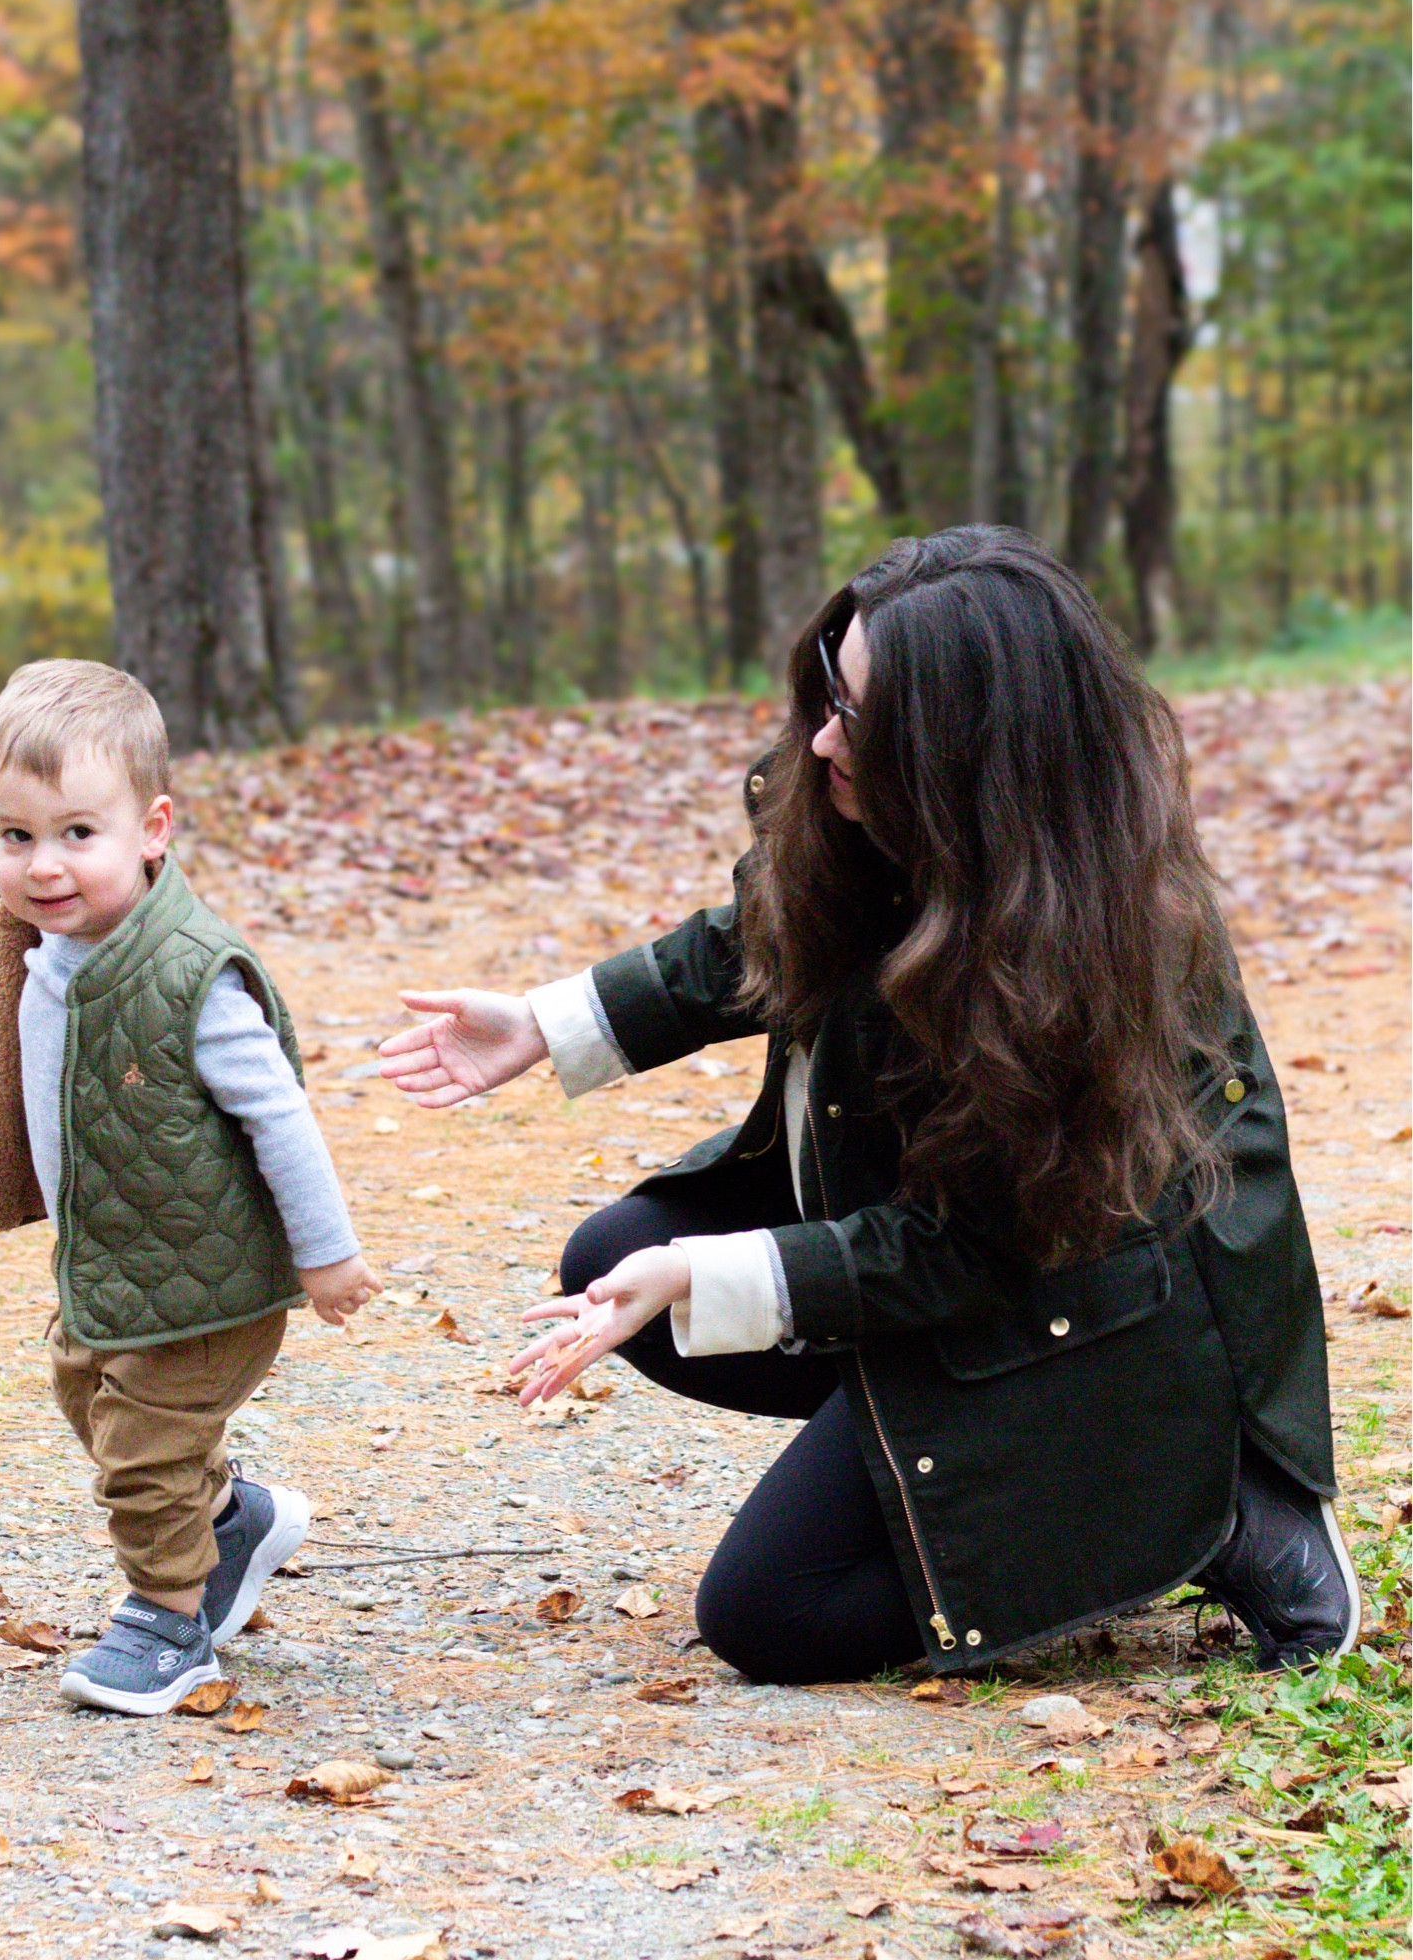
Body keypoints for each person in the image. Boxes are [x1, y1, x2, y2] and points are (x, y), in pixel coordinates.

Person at [379, 527, 1358, 1682]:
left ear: (971, 754)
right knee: (619, 1253)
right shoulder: (871, 809)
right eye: (826, 696)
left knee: (772, 1613)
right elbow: (762, 934)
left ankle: (1206, 1499)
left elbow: (963, 1250)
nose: (825, 737)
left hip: (1099, 1313)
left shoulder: (1084, 946)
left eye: (863, 719)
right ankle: (957, 1444)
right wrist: (548, 1024)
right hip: (959, 1250)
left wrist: (714, 1275)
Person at [0, 660, 379, 1713]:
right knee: (86, 1390)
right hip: (119, 1260)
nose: (42, 865)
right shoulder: (58, 942)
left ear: (153, 827)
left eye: (78, 833)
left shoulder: (194, 976)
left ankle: (172, 1624)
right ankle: (230, 1525)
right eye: (15, 835)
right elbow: (48, 1002)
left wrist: (326, 1252)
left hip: (209, 1277)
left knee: (141, 1452)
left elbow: (280, 1115)